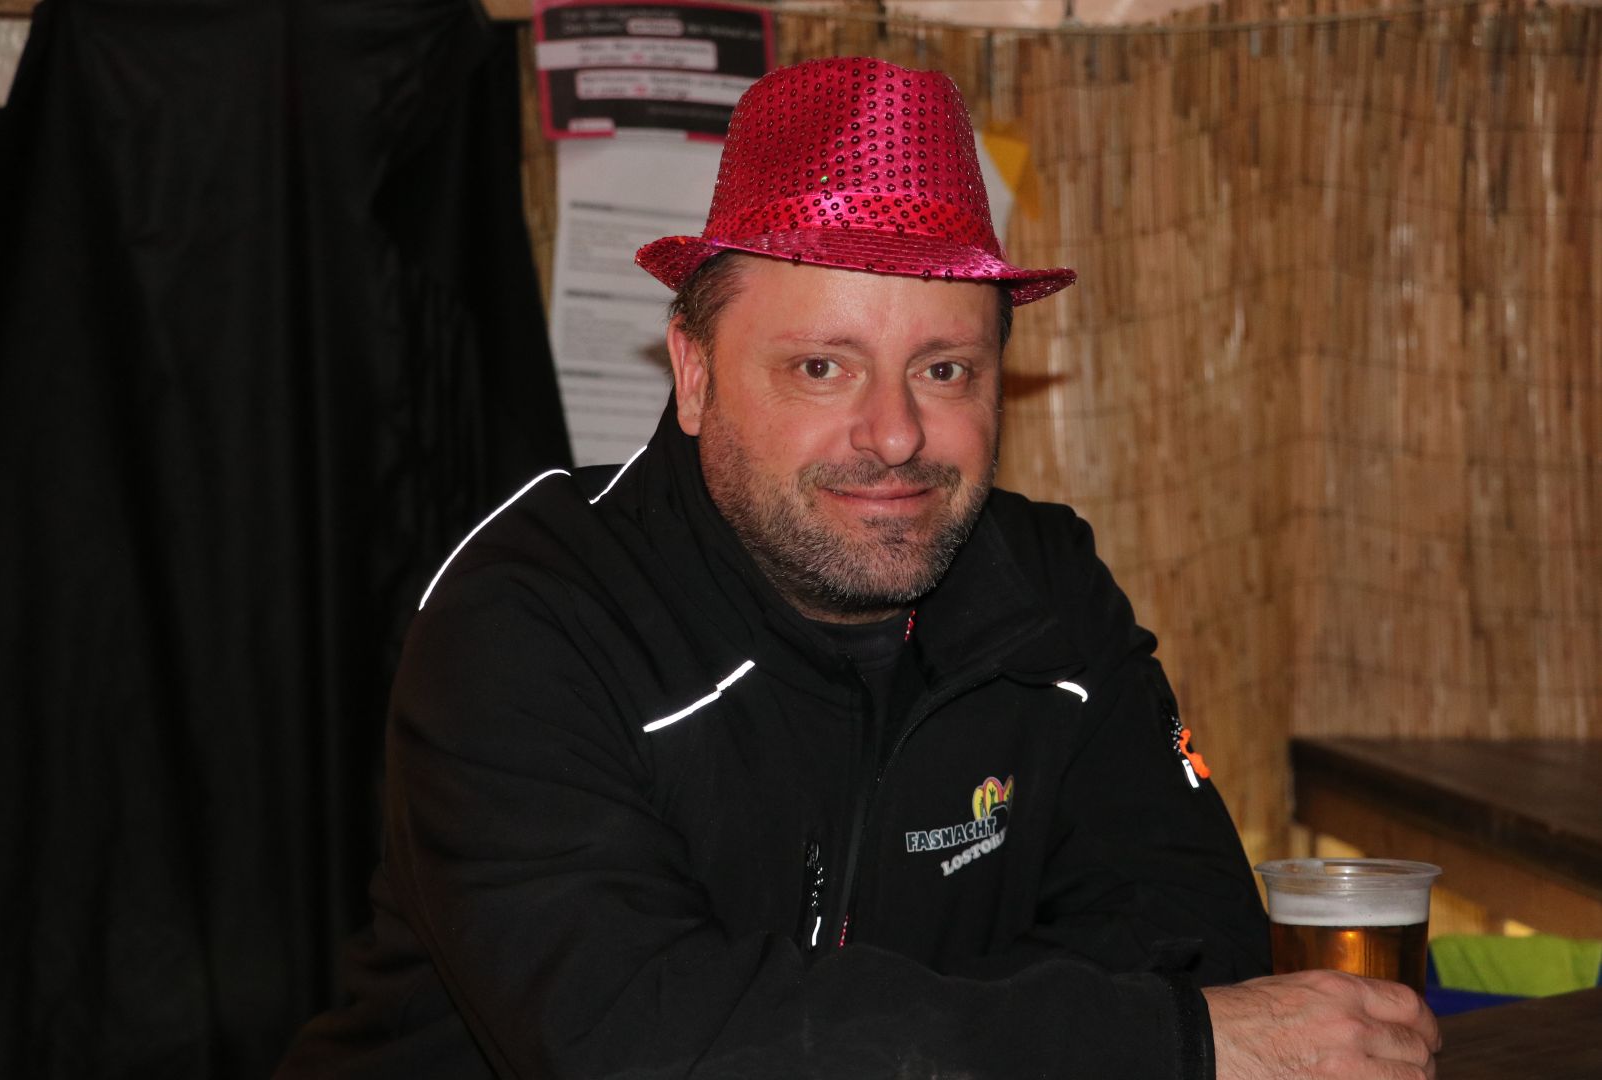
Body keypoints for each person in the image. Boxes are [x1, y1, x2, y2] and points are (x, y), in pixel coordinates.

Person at [278, 57, 1439, 1079]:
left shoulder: (1045, 591)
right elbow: (637, 1041)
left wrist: (860, 1042)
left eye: (945, 370)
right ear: (695, 374)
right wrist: (1148, 1045)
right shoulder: (530, 615)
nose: (894, 435)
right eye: (822, 367)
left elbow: (1195, 929)